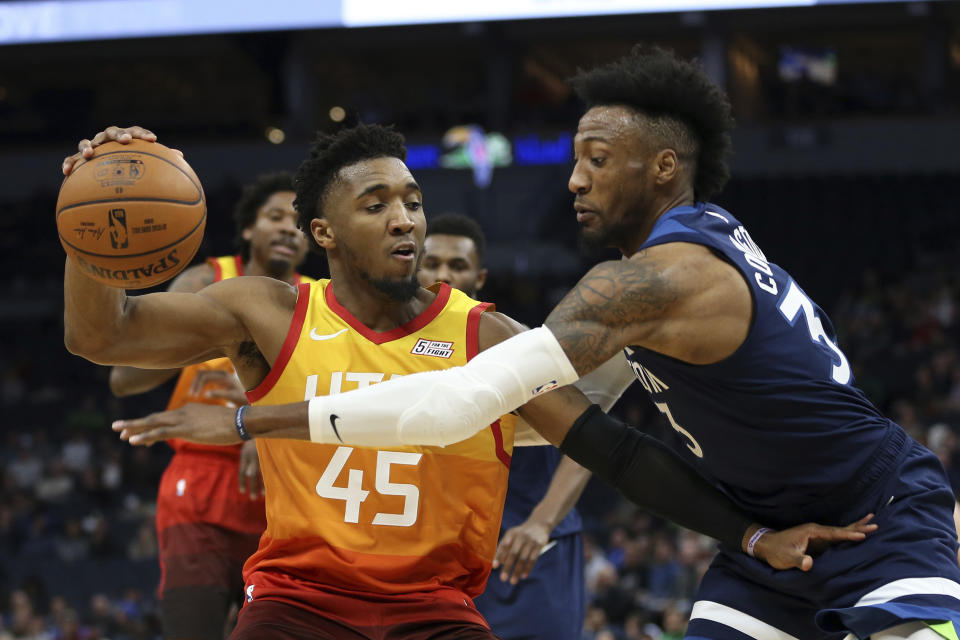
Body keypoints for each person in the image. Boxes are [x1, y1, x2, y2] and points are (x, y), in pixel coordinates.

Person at [113, 48, 960, 640]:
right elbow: (580, 430)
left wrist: (258, 422)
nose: (573, 178)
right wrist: (743, 535)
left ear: (663, 167)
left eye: (596, 158)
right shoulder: (702, 250)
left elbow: (457, 406)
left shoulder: (645, 284)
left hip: (876, 514)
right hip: (771, 533)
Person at [107, 171, 312, 640]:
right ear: (248, 228)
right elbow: (125, 377)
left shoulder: (315, 302)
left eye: (298, 223)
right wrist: (197, 338)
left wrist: (258, 419)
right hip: (201, 480)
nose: (287, 229)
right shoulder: (206, 280)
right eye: (275, 217)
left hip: (284, 484)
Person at [419, 213, 591, 639]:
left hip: (527, 550)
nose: (444, 274)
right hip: (439, 557)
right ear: (413, 267)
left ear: (479, 276)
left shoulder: (516, 343)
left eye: (457, 265)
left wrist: (541, 523)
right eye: (433, 262)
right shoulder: (388, 349)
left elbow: (589, 439)